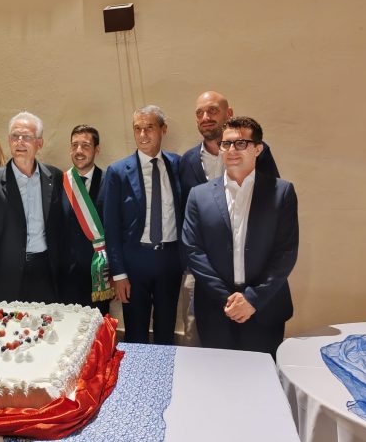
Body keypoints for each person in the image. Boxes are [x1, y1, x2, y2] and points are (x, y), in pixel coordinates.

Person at [182, 116, 298, 357]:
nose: (232, 150)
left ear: (258, 149)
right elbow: (193, 250)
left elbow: (285, 252)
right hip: (215, 309)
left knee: (261, 376)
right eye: (226, 144)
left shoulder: (281, 192)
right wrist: (227, 299)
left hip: (264, 308)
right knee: (217, 375)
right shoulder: (199, 195)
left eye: (241, 143)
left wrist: (252, 300)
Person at [103, 106, 183, 344]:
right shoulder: (118, 171)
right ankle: (136, 368)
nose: (142, 134)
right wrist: (118, 273)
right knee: (135, 331)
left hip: (170, 259)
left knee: (166, 329)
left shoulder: (178, 165)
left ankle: (163, 367)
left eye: (149, 128)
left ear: (163, 129)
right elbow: (111, 227)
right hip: (135, 262)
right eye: (137, 129)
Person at [0, 111, 63, 303]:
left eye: (26, 137)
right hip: (5, 275)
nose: (19, 142)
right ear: (9, 141)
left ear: (40, 143)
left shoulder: (55, 177)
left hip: (45, 272)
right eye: (15, 136)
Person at [60, 125, 112, 315]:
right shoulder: (59, 182)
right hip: (65, 276)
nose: (79, 151)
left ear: (97, 149)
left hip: (99, 274)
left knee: (99, 327)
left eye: (85, 145)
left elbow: (116, 229)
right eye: (74, 145)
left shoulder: (110, 181)